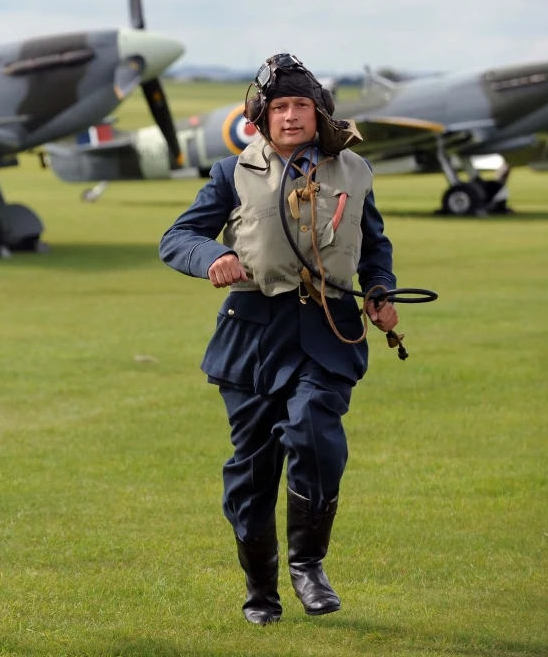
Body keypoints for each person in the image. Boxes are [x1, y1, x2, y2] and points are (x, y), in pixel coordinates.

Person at [159, 53, 399, 625]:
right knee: (252, 473)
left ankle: (308, 565)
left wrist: (381, 289)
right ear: (261, 118)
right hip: (251, 336)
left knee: (316, 433)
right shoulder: (231, 173)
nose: (291, 117)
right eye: (280, 108)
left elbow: (374, 245)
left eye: (301, 107)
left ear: (319, 114)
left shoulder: (355, 171)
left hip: (327, 329)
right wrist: (212, 254)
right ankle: (260, 591)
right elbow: (177, 238)